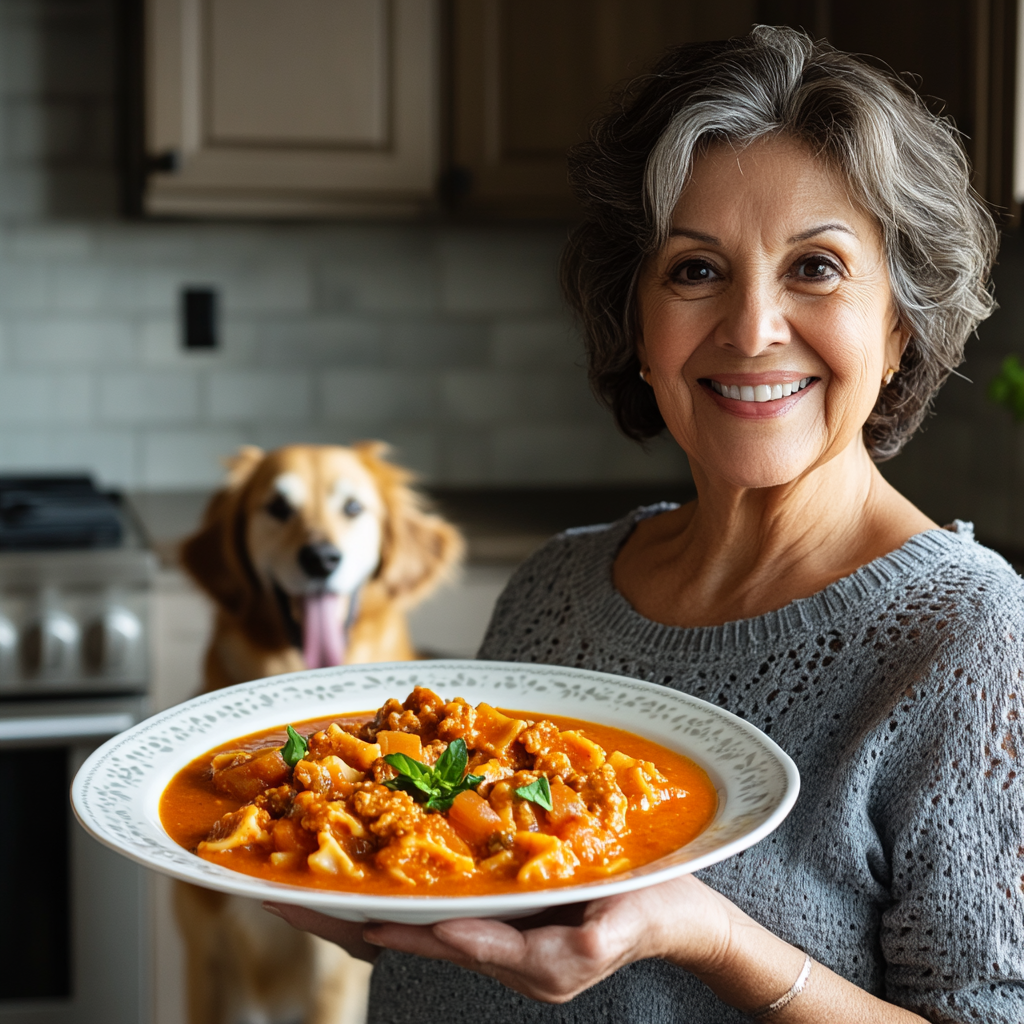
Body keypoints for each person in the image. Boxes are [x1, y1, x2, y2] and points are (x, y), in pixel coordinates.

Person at [266, 26, 1024, 1023]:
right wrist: (360, 879)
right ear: (639, 328)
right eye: (695, 270)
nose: (751, 327)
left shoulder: (969, 639)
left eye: (817, 267)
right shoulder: (555, 585)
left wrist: (714, 939)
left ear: (899, 326)